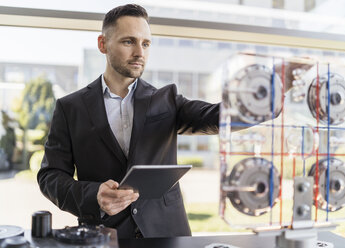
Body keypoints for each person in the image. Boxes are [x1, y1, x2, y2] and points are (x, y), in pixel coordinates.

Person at [37, 4, 219, 239]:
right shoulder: (70, 107)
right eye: (128, 42)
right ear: (103, 44)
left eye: (145, 44)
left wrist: (269, 95)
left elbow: (216, 116)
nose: (139, 53)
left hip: (167, 235)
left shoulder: (167, 100)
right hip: (105, 235)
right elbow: (50, 176)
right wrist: (94, 195)